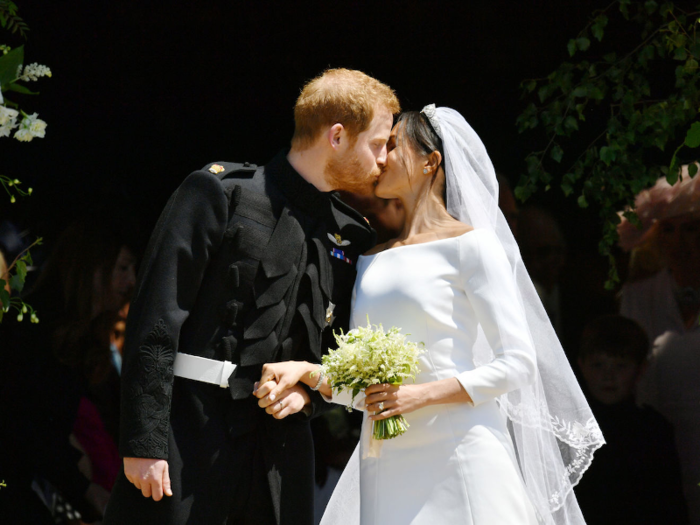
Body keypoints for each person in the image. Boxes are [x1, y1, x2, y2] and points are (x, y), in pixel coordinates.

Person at [254, 106, 603, 524]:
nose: (380, 157)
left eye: (393, 145)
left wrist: (419, 395)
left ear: (429, 161)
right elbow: (372, 391)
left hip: (461, 452)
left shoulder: (472, 246)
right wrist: (308, 373)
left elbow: (518, 364)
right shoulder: (369, 258)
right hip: (385, 462)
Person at [103, 68, 400, 525]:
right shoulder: (219, 193)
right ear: (337, 136)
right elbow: (157, 318)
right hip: (189, 436)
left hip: (282, 457)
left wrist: (309, 397)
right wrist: (143, 444)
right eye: (378, 143)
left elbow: (340, 353)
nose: (384, 159)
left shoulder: (351, 235)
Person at [574, 315, 688, 524]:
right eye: (598, 365)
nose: (608, 376)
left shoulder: (653, 430)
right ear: (581, 365)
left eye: (620, 366)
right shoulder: (569, 429)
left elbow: (671, 505)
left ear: (640, 368)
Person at [618, 165, 700, 343]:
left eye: (690, 229)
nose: (678, 241)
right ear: (658, 237)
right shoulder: (638, 295)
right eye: (668, 229)